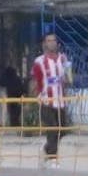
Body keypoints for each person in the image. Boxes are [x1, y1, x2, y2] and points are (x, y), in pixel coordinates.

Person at [28, 31, 77, 162]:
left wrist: (67, 77)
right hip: (46, 101)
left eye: (53, 40)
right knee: (53, 128)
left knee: (63, 129)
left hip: (60, 101)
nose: (52, 43)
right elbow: (34, 81)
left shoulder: (63, 59)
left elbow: (68, 80)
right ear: (44, 44)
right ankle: (52, 158)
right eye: (49, 41)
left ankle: (46, 149)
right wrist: (36, 96)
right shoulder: (39, 61)